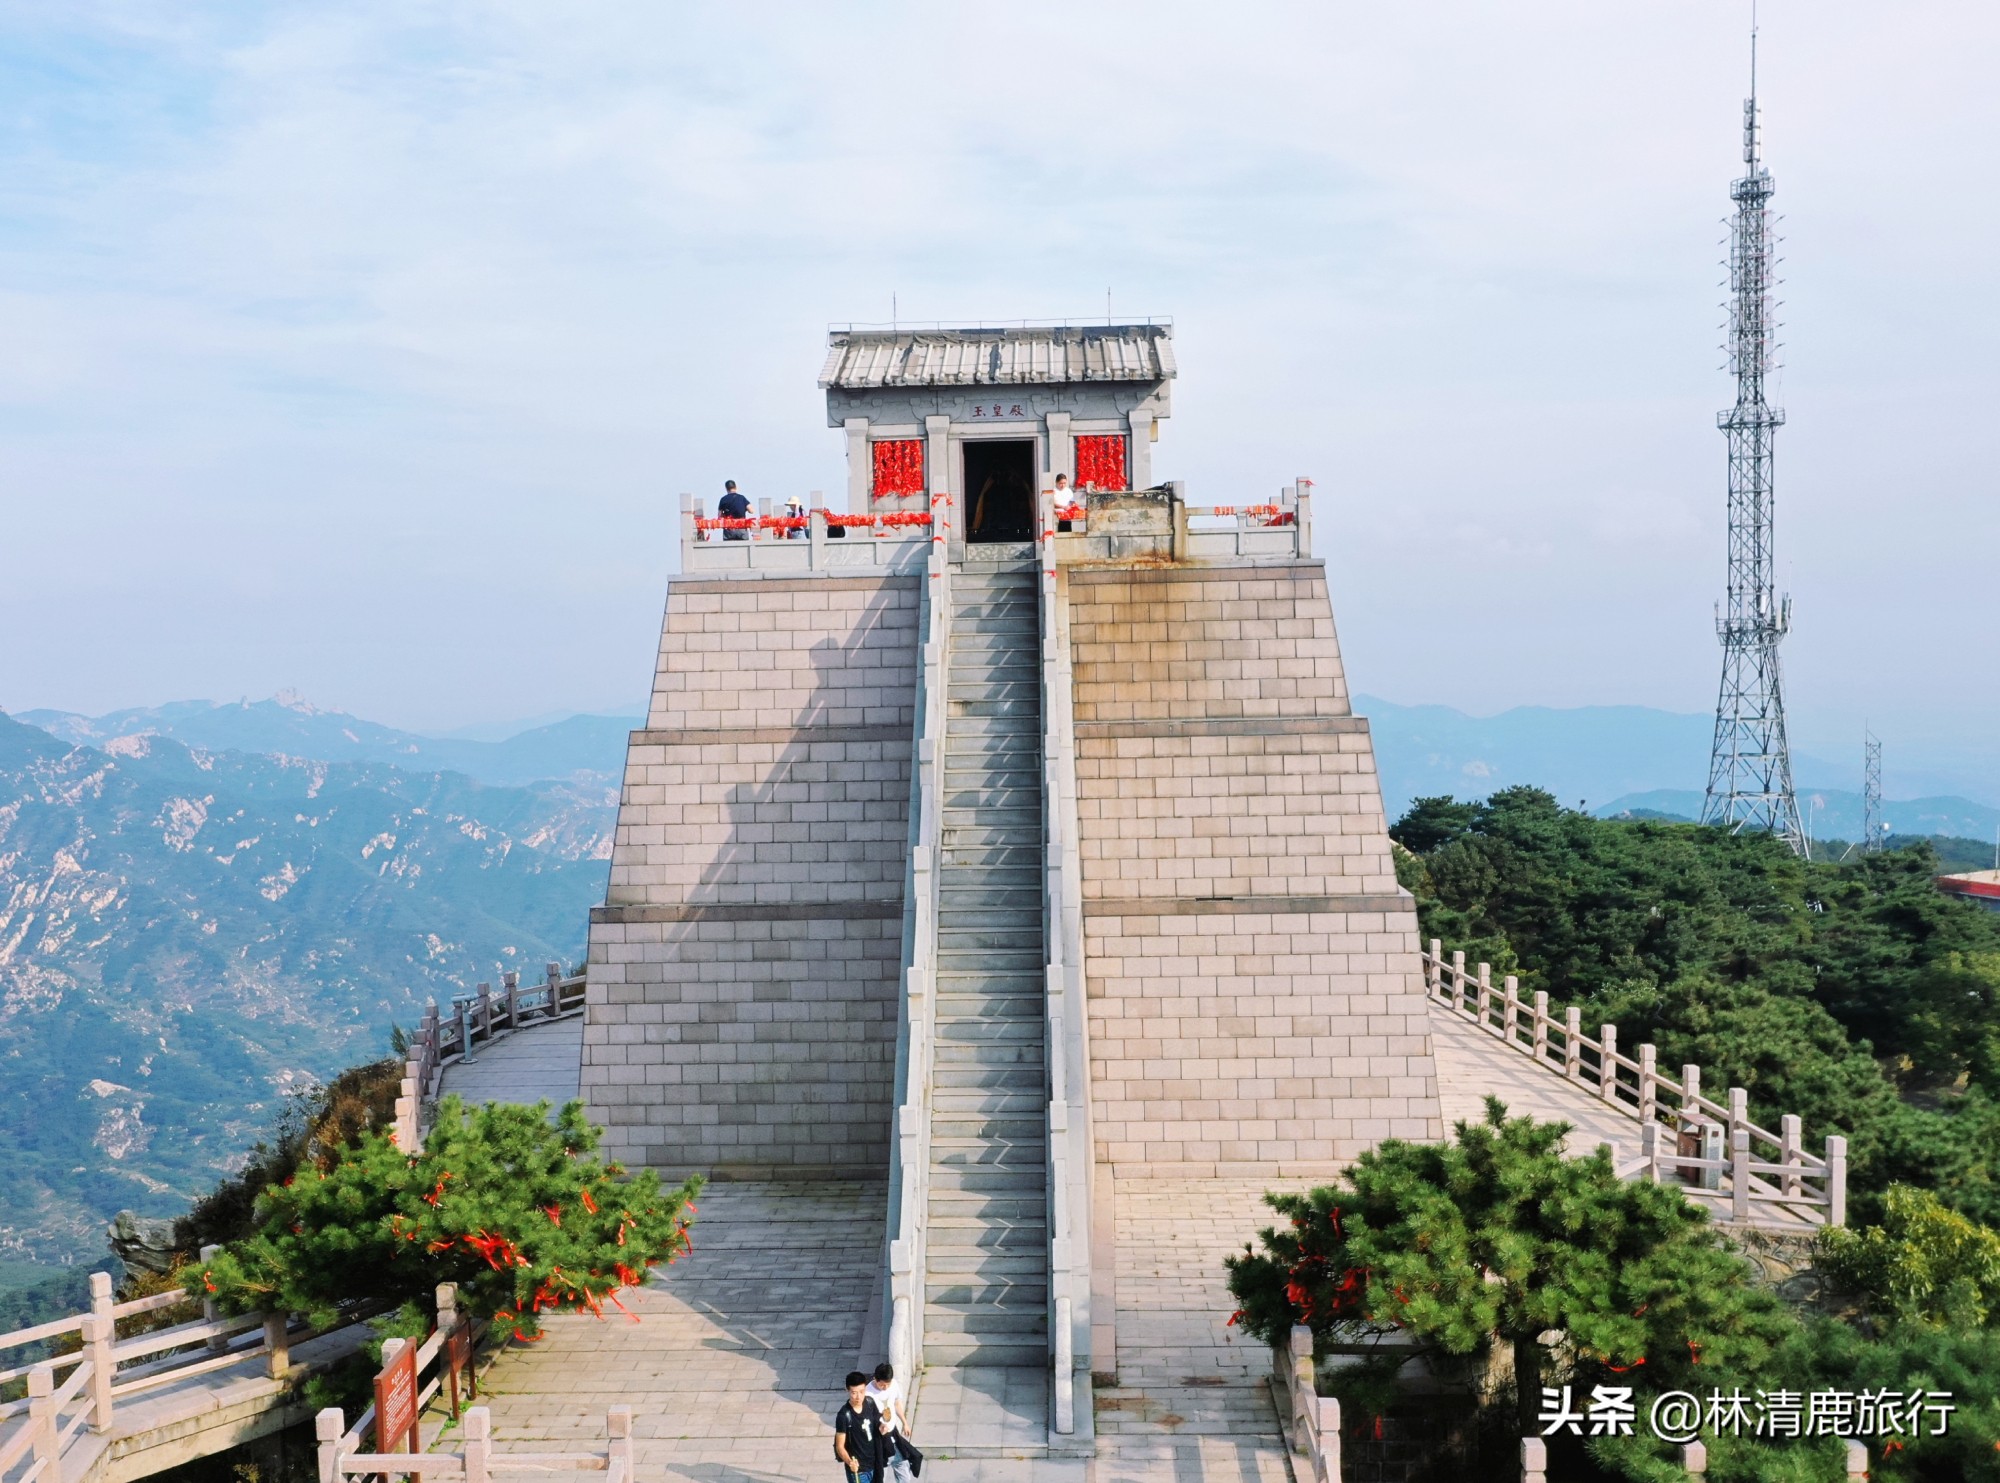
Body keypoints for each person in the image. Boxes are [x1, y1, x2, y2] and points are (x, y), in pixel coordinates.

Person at [866, 1363, 919, 1482]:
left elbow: (896, 1403)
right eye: (882, 1385)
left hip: (893, 1434)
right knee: (880, 1472)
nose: (885, 1388)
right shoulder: (868, 1394)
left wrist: (905, 1422)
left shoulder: (893, 1385)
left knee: (903, 1466)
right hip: (878, 1438)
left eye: (887, 1384)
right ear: (875, 1378)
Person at [833, 1370, 887, 1483]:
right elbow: (839, 1446)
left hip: (875, 1463)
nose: (858, 1397)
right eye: (854, 1392)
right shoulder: (844, 1415)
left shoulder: (870, 1403)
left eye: (862, 1391)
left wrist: (882, 1427)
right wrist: (849, 1462)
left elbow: (877, 1423)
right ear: (847, 1390)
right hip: (859, 1470)